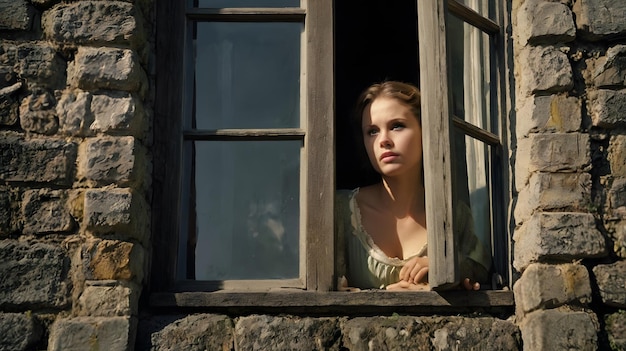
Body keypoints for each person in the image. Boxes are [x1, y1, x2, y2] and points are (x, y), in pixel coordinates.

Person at [335, 81, 490, 291]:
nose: (384, 140)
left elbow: (479, 280)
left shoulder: (456, 216)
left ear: (425, 132)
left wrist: (445, 273)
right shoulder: (342, 211)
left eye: (397, 125)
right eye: (372, 131)